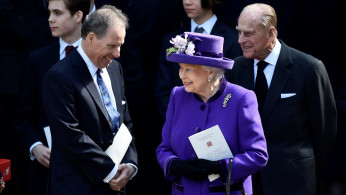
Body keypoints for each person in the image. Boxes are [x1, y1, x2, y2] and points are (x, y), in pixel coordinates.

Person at [229, 3, 337, 195]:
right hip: (248, 181)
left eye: (248, 34)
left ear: (271, 33)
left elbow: (324, 131)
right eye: (239, 32)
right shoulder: (236, 69)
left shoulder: (309, 68)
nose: (240, 40)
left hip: (294, 181)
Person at [41, 5, 138, 194]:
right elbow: (69, 135)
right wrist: (110, 171)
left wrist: (130, 163)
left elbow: (124, 122)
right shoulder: (59, 76)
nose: (117, 53)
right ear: (91, 37)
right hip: (77, 186)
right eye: (112, 46)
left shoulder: (115, 68)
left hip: (115, 185)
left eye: (120, 45)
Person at [156, 32, 268, 195]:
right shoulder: (177, 96)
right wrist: (174, 165)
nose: (182, 75)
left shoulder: (241, 98)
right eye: (180, 68)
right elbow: (164, 148)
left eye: (188, 69)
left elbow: (258, 155)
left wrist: (221, 167)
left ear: (210, 72)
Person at [14, 0, 91, 194]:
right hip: (47, 174)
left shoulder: (99, 57)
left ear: (78, 16)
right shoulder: (37, 60)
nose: (50, 19)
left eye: (57, 13)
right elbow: (23, 116)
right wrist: (35, 147)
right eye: (49, 13)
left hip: (91, 172)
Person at [155, 0, 242, 119]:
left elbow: (234, 86)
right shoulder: (172, 40)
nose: (187, 2)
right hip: (179, 120)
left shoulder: (232, 39)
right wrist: (176, 119)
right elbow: (163, 90)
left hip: (218, 121)